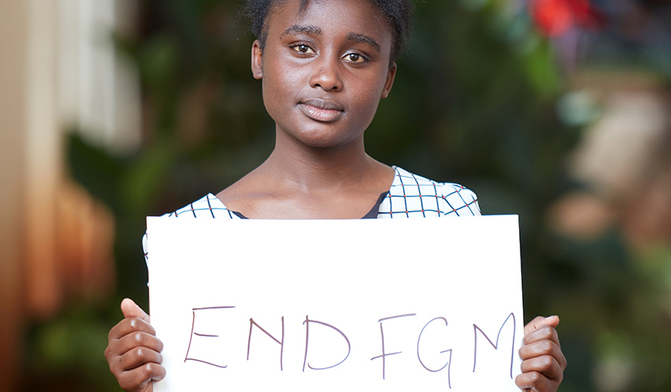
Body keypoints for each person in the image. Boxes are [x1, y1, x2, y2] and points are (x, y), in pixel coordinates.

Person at [104, 0, 567, 391]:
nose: (327, 76)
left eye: (357, 57)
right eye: (302, 48)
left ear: (387, 79)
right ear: (259, 57)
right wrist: (144, 375)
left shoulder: (447, 215)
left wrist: (524, 374)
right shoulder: (194, 240)